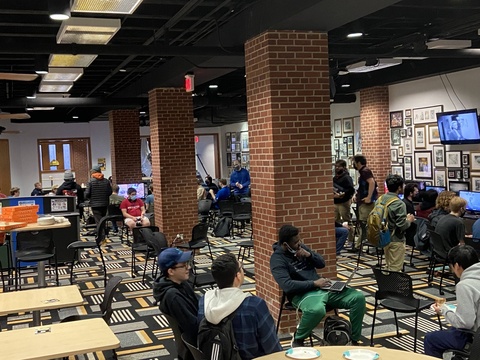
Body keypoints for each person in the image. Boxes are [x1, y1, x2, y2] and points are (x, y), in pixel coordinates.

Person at [270, 224, 365, 347]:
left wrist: (309, 255)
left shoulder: (300, 248)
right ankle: (298, 338)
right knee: (317, 310)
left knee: (358, 298)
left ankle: (354, 340)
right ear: (285, 245)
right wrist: (314, 283)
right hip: (301, 294)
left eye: (299, 240)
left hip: (322, 288)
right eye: (295, 242)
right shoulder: (277, 260)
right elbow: (287, 285)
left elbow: (321, 264)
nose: (299, 244)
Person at [198, 253, 282, 359]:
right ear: (237, 276)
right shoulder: (255, 306)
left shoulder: (204, 302)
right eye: (241, 267)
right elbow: (273, 349)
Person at [424, 244, 480, 358]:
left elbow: (465, 323)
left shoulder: (465, 285)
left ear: (457, 266)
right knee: (453, 329)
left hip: (475, 338)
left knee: (430, 339)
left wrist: (444, 310)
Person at [153, 248, 199, 354]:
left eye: (187, 263)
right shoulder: (173, 297)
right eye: (183, 266)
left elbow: (198, 303)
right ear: (171, 271)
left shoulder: (182, 283)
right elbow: (194, 328)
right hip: (195, 344)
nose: (189, 267)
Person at [380, 174, 415, 271]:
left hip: (383, 236)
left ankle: (387, 285)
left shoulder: (381, 199)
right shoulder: (399, 203)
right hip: (395, 239)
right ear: (399, 188)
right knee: (395, 269)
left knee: (388, 266)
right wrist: (409, 220)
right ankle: (392, 286)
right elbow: (401, 226)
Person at [352, 155, 378, 252]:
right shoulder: (362, 172)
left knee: (364, 224)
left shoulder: (365, 171)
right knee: (362, 224)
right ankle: (359, 245)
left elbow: (372, 183)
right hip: (361, 200)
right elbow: (363, 186)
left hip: (366, 203)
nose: (353, 164)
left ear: (358, 162)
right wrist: (356, 195)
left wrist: (369, 197)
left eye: (354, 162)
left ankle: (359, 245)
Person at [333, 160, 355, 243]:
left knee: (347, 220)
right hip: (335, 202)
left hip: (344, 202)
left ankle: (350, 240)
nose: (337, 168)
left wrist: (343, 194)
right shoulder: (335, 178)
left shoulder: (346, 177)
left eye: (339, 166)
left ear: (344, 167)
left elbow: (351, 190)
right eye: (336, 166)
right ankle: (338, 240)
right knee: (336, 221)